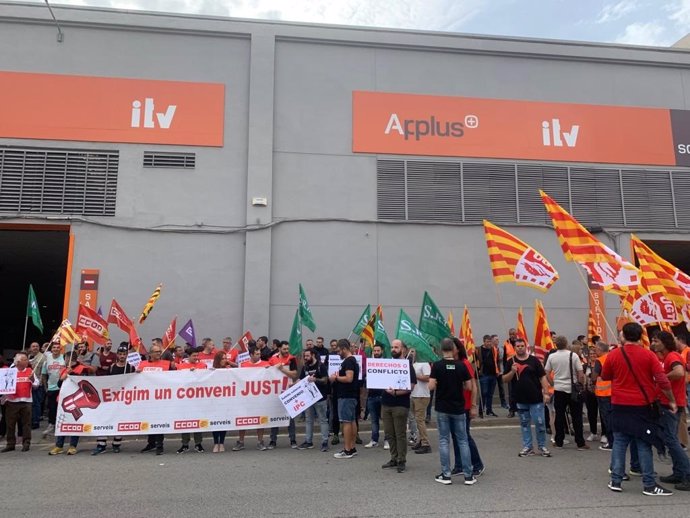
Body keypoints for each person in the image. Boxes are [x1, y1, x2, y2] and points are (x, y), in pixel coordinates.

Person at [602, 322, 676, 496]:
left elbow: (605, 376)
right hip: (642, 406)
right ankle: (649, 484)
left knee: (620, 443)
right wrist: (671, 400)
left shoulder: (613, 355)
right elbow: (663, 381)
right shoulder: (649, 355)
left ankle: (616, 480)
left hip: (619, 404)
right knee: (644, 444)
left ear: (623, 336)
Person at [429, 338, 477, 485]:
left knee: (444, 440)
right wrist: (458, 386)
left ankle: (446, 474)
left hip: (442, 407)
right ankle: (468, 475)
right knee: (463, 440)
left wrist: (439, 384)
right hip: (458, 407)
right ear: (453, 349)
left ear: (441, 349)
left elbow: (430, 387)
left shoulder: (437, 366)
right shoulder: (461, 366)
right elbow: (469, 386)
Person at [651, 331, 690, 491]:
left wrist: (662, 377)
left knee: (671, 441)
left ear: (664, 342)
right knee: (670, 439)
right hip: (670, 403)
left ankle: (687, 473)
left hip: (671, 404)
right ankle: (679, 472)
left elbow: (679, 372)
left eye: (656, 340)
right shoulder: (668, 357)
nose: (654, 343)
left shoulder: (672, 356)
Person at [502, 338, 551, 457]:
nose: (520, 348)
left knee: (540, 423)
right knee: (524, 424)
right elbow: (504, 379)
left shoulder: (534, 361)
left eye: (522, 346)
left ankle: (542, 446)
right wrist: (513, 372)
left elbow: (542, 377)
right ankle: (528, 447)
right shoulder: (510, 362)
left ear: (526, 347)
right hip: (520, 399)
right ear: (515, 348)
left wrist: (546, 393)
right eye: (517, 346)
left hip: (536, 398)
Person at [380, 339, 417, 473]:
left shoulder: (407, 365)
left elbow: (411, 386)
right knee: (389, 433)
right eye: (392, 347)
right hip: (386, 403)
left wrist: (396, 392)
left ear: (403, 349)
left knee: (400, 434)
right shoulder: (387, 364)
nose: (393, 349)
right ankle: (393, 458)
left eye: (396, 347)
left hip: (400, 404)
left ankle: (402, 460)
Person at [545, 335, 587, 450]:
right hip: (572, 389)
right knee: (576, 416)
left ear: (556, 345)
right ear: (566, 343)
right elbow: (580, 373)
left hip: (558, 389)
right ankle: (580, 442)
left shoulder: (552, 356)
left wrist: (552, 383)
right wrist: (581, 384)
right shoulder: (573, 356)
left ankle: (559, 441)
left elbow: (547, 372)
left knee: (559, 415)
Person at [92, 344, 135, 455]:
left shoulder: (130, 367)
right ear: (117, 355)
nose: (122, 356)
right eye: (120, 354)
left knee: (119, 421)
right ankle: (101, 445)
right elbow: (106, 381)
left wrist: (137, 374)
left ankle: (116, 444)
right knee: (105, 419)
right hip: (111, 398)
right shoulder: (112, 367)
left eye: (124, 354)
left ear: (127, 355)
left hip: (124, 399)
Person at [453, 338, 484, 477]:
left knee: (464, 436)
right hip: (453, 406)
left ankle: (477, 464)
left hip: (465, 406)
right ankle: (459, 465)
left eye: (451, 347)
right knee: (455, 437)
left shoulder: (465, 363)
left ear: (458, 349)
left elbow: (474, 387)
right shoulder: (451, 364)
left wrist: (473, 406)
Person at [138, 344, 174, 455]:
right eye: (156, 352)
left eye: (159, 351)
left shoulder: (167, 364)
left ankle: (159, 445)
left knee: (159, 421)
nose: (159, 353)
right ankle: (151, 443)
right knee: (149, 420)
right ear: (150, 354)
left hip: (161, 397)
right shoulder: (142, 364)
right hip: (147, 398)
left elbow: (177, 375)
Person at [233, 346, 270, 451]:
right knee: (242, 419)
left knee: (260, 420)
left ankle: (260, 441)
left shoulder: (265, 365)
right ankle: (241, 441)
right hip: (246, 398)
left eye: (259, 353)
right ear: (251, 355)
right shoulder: (243, 365)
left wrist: (270, 371)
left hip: (260, 398)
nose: (259, 355)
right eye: (257, 354)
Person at [330, 339, 359, 459]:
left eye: (338, 351)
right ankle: (352, 447)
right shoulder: (352, 361)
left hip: (346, 396)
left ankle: (347, 450)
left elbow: (349, 378)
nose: (338, 354)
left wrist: (336, 378)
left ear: (344, 349)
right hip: (350, 395)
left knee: (346, 422)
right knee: (351, 421)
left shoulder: (349, 361)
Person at [176, 346, 207, 453]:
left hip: (198, 398)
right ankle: (185, 444)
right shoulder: (181, 367)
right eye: (194, 356)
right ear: (188, 356)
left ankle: (198, 443)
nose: (196, 357)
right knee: (185, 421)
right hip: (184, 398)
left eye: (197, 355)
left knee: (198, 420)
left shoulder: (203, 366)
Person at [1, 352, 34, 452]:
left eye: (26, 359)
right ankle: (10, 444)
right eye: (24, 359)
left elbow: (37, 384)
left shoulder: (30, 371)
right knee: (10, 424)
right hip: (12, 401)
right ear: (18, 362)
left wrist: (32, 379)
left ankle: (26, 443)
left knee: (26, 424)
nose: (27, 361)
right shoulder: (10, 372)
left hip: (26, 401)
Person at [298, 349, 330, 451]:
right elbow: (301, 379)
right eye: (305, 356)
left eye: (307, 356)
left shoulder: (321, 366)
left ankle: (325, 442)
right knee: (308, 420)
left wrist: (316, 379)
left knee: (323, 420)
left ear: (313, 355)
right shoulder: (305, 367)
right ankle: (308, 441)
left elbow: (325, 380)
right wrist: (295, 384)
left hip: (320, 398)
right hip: (308, 398)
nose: (306, 358)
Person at [269, 341, 298, 448]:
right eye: (284, 349)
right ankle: (273, 440)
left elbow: (294, 374)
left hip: (288, 391)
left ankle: (293, 440)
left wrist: (282, 369)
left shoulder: (292, 358)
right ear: (279, 348)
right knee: (275, 415)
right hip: (275, 391)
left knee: (290, 416)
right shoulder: (272, 358)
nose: (286, 351)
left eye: (287, 349)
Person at [592, 341, 613, 450]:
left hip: (603, 393)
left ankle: (611, 442)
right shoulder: (612, 357)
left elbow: (595, 376)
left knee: (606, 418)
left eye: (596, 349)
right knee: (613, 417)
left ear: (600, 350)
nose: (595, 351)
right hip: (613, 392)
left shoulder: (599, 360)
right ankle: (614, 440)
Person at [41, 341, 65, 438]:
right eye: (54, 347)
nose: (56, 349)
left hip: (62, 387)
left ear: (60, 349)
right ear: (51, 349)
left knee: (62, 407)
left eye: (57, 347)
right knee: (51, 408)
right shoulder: (47, 359)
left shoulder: (64, 358)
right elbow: (43, 375)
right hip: (51, 387)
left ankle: (62, 425)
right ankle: (51, 425)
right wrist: (45, 387)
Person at [411, 351, 432, 454]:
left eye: (414, 351)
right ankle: (420, 440)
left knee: (420, 420)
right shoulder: (413, 364)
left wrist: (415, 376)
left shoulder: (425, 364)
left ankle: (425, 443)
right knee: (417, 419)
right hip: (414, 394)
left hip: (422, 395)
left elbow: (428, 378)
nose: (412, 353)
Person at [365, 344, 385, 449]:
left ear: (382, 351)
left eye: (378, 350)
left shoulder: (386, 363)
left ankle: (387, 440)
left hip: (383, 395)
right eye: (375, 351)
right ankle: (374, 439)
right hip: (371, 395)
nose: (376, 352)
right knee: (373, 420)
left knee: (385, 420)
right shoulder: (369, 363)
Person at [211, 351, 230, 452]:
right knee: (215, 421)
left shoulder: (228, 370)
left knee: (223, 421)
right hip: (214, 400)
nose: (225, 360)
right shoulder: (212, 370)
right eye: (223, 359)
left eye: (226, 358)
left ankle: (222, 442)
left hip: (225, 399)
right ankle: (215, 443)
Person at [476, 335, 499, 417]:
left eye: (490, 341)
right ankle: (481, 411)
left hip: (493, 374)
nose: (489, 343)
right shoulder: (478, 350)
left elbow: (497, 360)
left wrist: (498, 371)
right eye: (487, 342)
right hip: (484, 375)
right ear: (484, 342)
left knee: (490, 394)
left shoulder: (494, 349)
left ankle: (489, 410)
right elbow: (474, 360)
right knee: (483, 393)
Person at [27, 341, 46, 430]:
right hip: (27, 384)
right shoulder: (27, 357)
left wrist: (41, 383)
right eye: (33, 346)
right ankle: (29, 420)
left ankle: (35, 421)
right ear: (30, 348)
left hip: (37, 383)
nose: (35, 348)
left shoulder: (43, 357)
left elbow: (43, 372)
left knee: (36, 404)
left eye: (37, 346)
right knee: (28, 404)